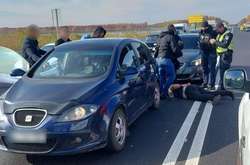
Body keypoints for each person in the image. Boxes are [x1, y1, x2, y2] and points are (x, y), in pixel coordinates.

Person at [155, 24, 182, 98]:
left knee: (162, 77)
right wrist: (180, 54)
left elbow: (156, 49)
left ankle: (160, 93)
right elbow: (175, 49)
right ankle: (164, 91)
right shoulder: (170, 37)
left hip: (158, 60)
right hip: (166, 60)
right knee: (172, 76)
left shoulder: (160, 37)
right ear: (173, 30)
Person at [210, 22, 234, 90]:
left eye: (218, 29)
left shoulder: (228, 34)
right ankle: (221, 87)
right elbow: (218, 44)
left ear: (222, 27)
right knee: (219, 71)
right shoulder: (219, 34)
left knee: (223, 72)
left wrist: (215, 42)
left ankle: (223, 88)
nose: (217, 31)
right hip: (220, 55)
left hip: (226, 55)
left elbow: (224, 45)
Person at [168, 83, 234, 104]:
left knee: (200, 96)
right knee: (209, 92)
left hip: (187, 91)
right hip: (191, 88)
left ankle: (213, 98)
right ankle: (228, 93)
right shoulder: (171, 92)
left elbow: (177, 86)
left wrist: (170, 90)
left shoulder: (170, 88)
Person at [199, 21, 218, 90]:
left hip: (211, 53)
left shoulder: (212, 32)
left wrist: (214, 41)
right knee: (204, 68)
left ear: (207, 26)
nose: (203, 28)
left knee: (212, 69)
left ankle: (212, 84)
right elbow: (200, 41)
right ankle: (205, 83)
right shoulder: (201, 32)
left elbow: (217, 40)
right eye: (202, 27)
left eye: (204, 27)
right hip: (203, 53)